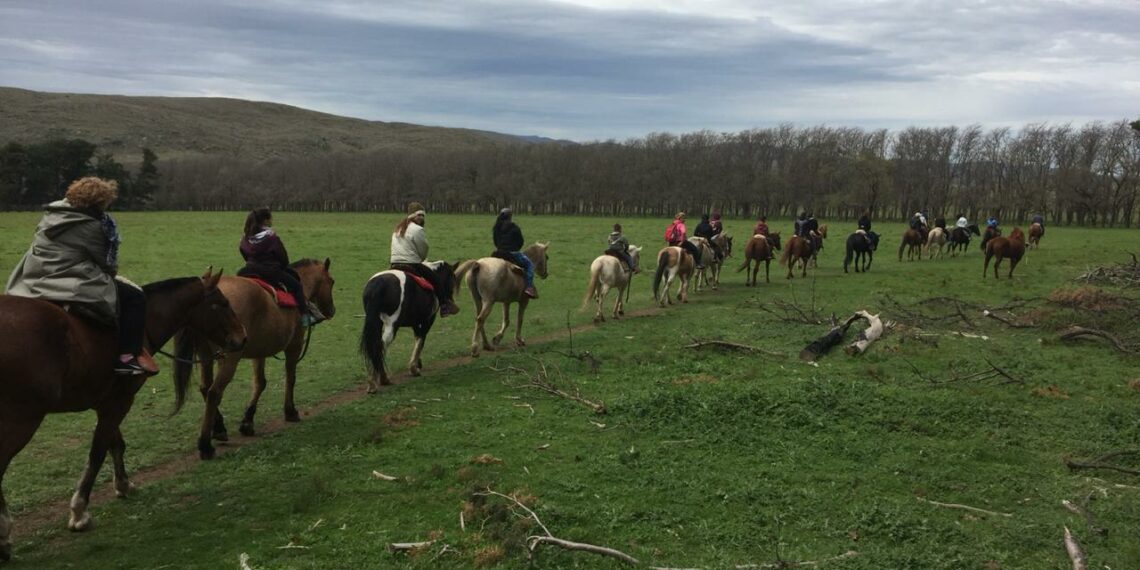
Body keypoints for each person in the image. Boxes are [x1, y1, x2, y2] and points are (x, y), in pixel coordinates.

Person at [6, 177, 157, 376]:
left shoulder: (52, 215)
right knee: (134, 297)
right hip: (69, 280)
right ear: (100, 202)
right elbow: (106, 263)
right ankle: (126, 358)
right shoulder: (93, 226)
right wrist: (113, 276)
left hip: (33, 278)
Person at [238, 207, 324, 327]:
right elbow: (283, 258)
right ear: (266, 220)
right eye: (271, 218)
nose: (272, 221)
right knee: (297, 286)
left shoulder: (245, 238)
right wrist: (281, 266)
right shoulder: (271, 237)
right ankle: (305, 317)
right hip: (270, 271)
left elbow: (243, 252)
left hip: (248, 270)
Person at [390, 201, 459, 316]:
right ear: (412, 216)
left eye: (423, 215)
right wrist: (421, 259)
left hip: (394, 263)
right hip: (411, 264)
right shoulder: (417, 229)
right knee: (436, 280)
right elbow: (423, 249)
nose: (421, 218)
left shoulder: (398, 229)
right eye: (419, 215)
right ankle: (444, 307)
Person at [492, 208, 538, 298]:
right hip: (512, 253)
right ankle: (529, 288)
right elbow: (520, 242)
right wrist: (515, 249)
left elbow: (495, 241)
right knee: (529, 265)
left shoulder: (496, 227)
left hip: (498, 253)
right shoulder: (515, 228)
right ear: (510, 216)